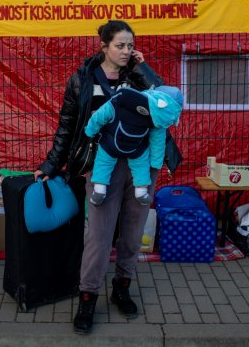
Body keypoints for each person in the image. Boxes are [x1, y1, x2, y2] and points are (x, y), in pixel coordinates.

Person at [34, 20, 180, 334]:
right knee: (98, 237)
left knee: (131, 233)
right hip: (102, 167)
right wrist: (50, 165)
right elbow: (67, 126)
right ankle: (88, 297)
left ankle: (122, 287)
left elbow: (164, 105)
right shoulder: (83, 80)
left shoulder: (138, 77)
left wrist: (144, 70)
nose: (127, 51)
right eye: (120, 45)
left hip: (142, 167)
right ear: (103, 46)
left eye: (131, 45)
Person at [84, 85, 183, 206]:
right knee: (141, 164)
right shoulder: (158, 122)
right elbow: (158, 143)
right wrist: (156, 162)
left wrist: (90, 130)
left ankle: (99, 190)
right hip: (136, 148)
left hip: (110, 143)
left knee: (103, 162)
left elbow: (101, 115)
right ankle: (141, 192)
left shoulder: (123, 100)